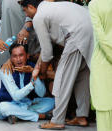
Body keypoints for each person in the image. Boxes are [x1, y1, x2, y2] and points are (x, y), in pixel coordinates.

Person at [19, 0, 94, 129]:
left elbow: (47, 52)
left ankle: (57, 120)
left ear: (31, 6)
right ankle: (81, 116)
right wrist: (38, 67)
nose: (27, 15)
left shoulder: (39, 17)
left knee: (61, 78)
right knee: (82, 76)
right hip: (89, 31)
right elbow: (47, 47)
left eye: (25, 10)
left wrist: (41, 72)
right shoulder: (49, 8)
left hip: (76, 35)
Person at [0, 43, 55, 124]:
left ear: (27, 56)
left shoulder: (32, 67)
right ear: (10, 58)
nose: (18, 59)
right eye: (14, 56)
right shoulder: (5, 70)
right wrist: (32, 84)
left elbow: (41, 93)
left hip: (27, 104)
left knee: (52, 102)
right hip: (10, 103)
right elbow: (16, 96)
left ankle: (18, 115)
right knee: (2, 108)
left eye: (21, 55)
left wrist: (34, 76)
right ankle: (40, 116)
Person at [0, 0, 40, 77]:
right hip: (6, 28)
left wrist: (26, 27)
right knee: (6, 60)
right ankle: (7, 84)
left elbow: (33, 7)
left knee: (23, 57)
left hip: (24, 26)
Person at [89, 0, 112, 131]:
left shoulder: (94, 4)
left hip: (103, 60)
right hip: (104, 62)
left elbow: (101, 37)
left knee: (104, 111)